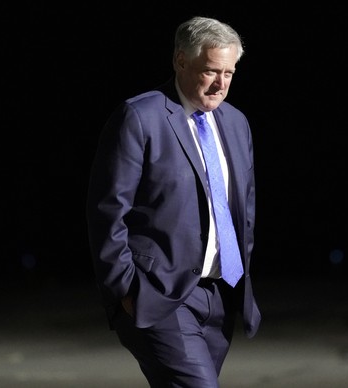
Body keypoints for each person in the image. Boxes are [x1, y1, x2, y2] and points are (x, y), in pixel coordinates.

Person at [86, 15, 261, 387]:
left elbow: (242, 211)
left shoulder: (236, 123)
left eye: (230, 73)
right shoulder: (140, 117)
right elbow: (107, 212)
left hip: (220, 295)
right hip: (159, 296)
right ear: (181, 60)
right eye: (212, 70)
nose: (221, 84)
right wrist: (125, 290)